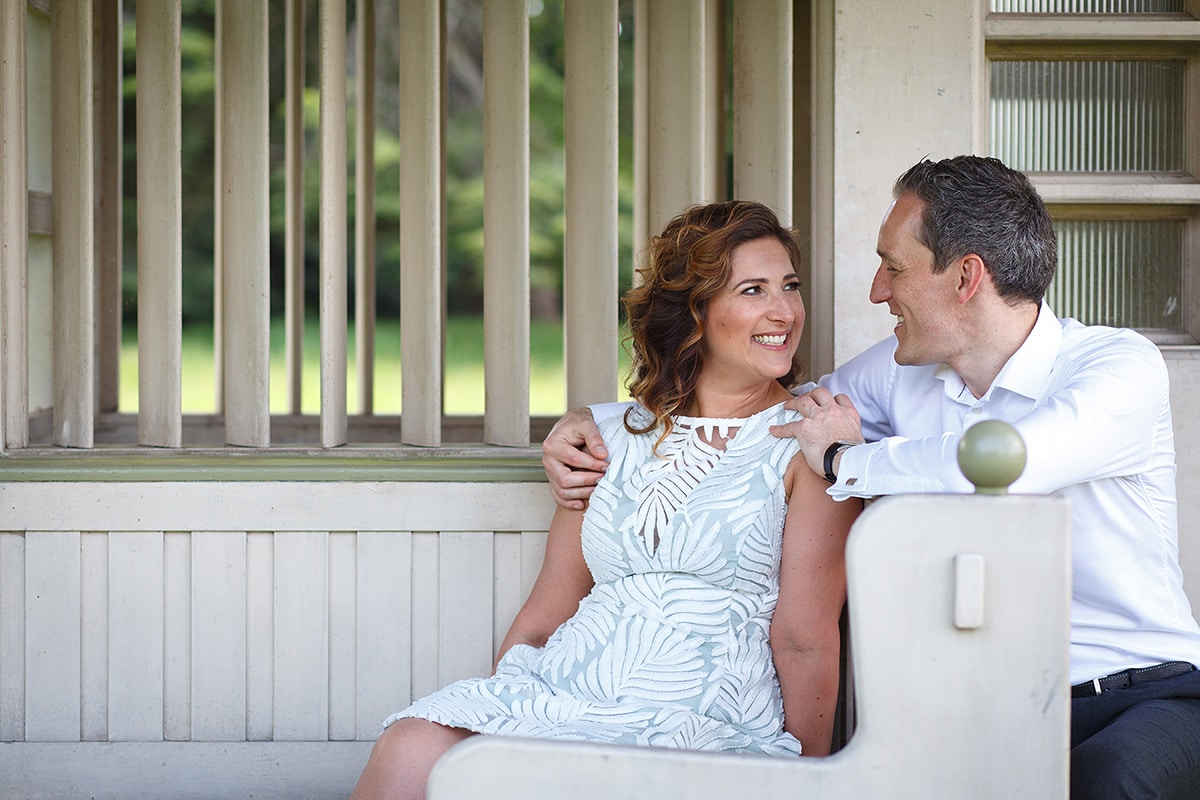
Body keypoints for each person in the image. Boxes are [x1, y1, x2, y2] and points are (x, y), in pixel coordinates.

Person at [543, 156, 1200, 799]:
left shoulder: (1116, 368)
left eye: (893, 267)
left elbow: (1004, 464)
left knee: (1109, 780)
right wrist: (599, 423)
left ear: (966, 276)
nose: (876, 291)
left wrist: (845, 463)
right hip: (984, 710)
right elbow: (765, 408)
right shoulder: (899, 370)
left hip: (1138, 693)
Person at [351, 201, 861, 800]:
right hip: (566, 693)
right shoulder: (605, 435)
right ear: (695, 313)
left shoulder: (810, 439)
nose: (785, 312)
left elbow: (806, 634)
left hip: (697, 715)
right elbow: (548, 611)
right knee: (411, 747)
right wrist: (507, 715)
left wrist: (810, 778)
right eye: (753, 290)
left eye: (790, 287)